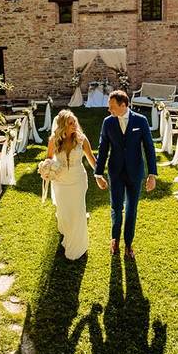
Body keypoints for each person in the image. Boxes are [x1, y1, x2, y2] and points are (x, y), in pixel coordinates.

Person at [94, 90, 157, 258]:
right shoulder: (108, 122)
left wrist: (152, 174)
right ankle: (115, 239)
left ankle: (129, 243)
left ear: (123, 105)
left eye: (112, 107)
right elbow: (103, 148)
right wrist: (98, 174)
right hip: (115, 172)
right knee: (116, 207)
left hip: (135, 172)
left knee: (131, 209)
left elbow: (149, 148)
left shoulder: (141, 121)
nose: (109, 110)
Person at [47, 110, 98, 260]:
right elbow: (49, 159)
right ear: (63, 125)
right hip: (60, 182)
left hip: (78, 181)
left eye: (75, 121)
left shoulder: (82, 140)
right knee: (64, 211)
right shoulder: (53, 140)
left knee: (78, 212)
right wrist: (47, 170)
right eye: (70, 123)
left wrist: (99, 175)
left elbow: (91, 159)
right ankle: (67, 232)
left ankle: (78, 246)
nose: (74, 125)